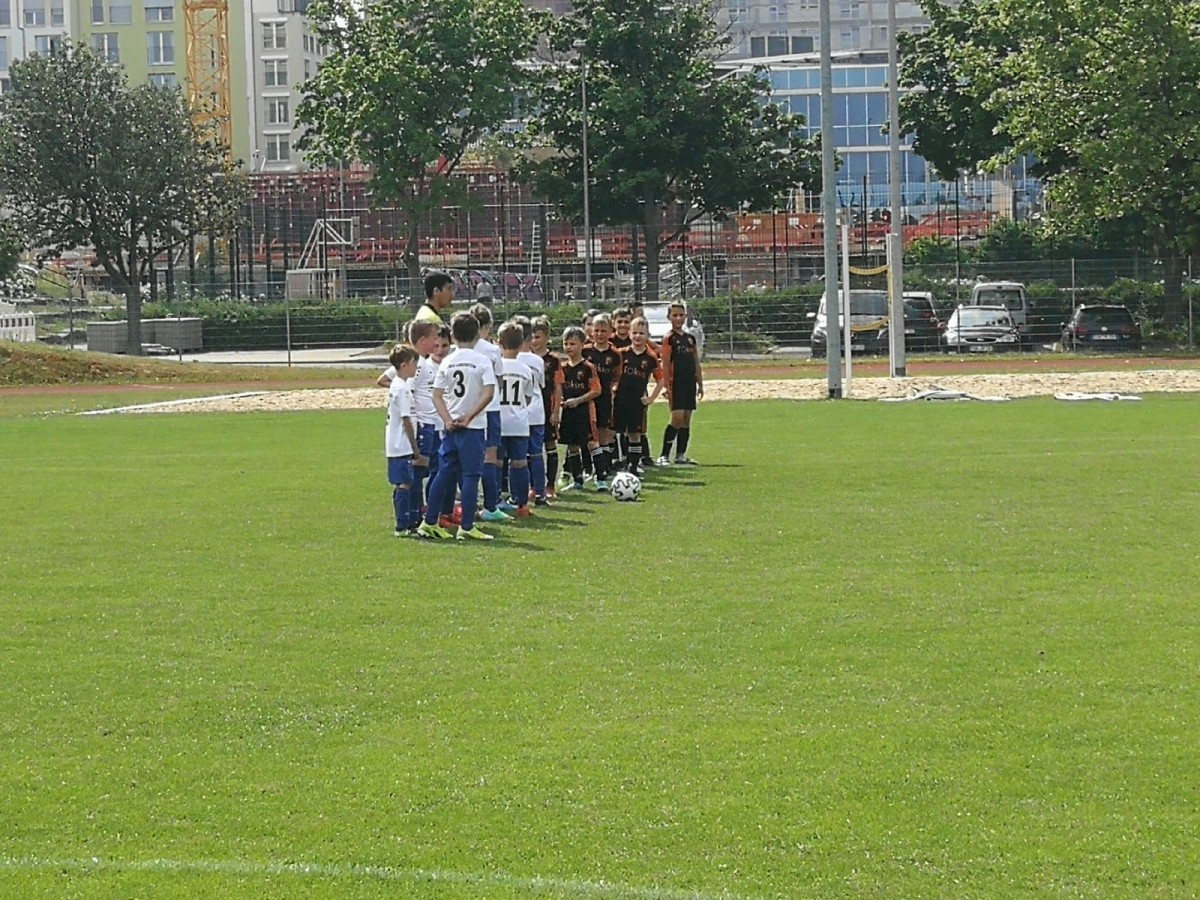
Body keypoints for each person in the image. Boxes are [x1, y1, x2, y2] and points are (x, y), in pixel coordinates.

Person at [416, 312, 497, 541]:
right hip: (472, 427)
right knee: (471, 475)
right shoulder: (482, 360)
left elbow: (437, 396)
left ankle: (429, 520)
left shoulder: (447, 361)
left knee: (444, 472)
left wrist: (447, 419)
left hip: (450, 427)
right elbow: (489, 392)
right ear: (476, 335)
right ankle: (467, 526)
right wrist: (469, 416)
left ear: (452, 336)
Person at [469, 302, 509, 524]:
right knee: (490, 456)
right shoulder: (491, 350)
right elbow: (499, 379)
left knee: (467, 458)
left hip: (466, 408)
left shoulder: (460, 349)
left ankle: (469, 502)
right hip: (490, 408)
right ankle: (491, 504)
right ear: (488, 325)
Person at [612, 316, 664, 476]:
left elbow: (661, 380)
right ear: (629, 334)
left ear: (647, 335)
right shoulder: (621, 353)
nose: (638, 336)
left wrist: (650, 399)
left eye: (642, 333)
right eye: (635, 333)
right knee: (613, 432)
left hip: (637, 402)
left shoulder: (650, 357)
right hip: (620, 399)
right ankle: (611, 465)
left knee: (635, 434)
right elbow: (613, 374)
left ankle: (633, 467)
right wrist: (613, 388)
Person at [496, 321, 537, 518]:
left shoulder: (496, 367)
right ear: (521, 344)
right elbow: (528, 397)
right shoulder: (525, 369)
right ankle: (521, 504)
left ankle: (494, 501)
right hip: (519, 423)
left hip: (498, 422)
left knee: (495, 462)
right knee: (519, 463)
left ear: (499, 343)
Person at [658, 301, 704, 465]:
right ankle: (664, 455)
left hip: (689, 383)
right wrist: (666, 385)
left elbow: (696, 362)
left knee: (686, 419)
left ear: (685, 316)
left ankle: (680, 455)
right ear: (669, 317)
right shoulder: (669, 338)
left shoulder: (690, 339)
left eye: (681, 315)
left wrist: (700, 383)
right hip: (675, 383)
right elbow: (665, 363)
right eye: (674, 315)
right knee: (676, 418)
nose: (678, 318)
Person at [405, 320, 441, 530]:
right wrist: (415, 425)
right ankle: (415, 514)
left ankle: (420, 512)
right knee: (419, 471)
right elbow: (409, 391)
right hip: (423, 425)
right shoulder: (417, 364)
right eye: (434, 338)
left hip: (430, 423)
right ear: (422, 340)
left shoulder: (422, 362)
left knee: (428, 469)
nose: (436, 343)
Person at [557, 326, 601, 493]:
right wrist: (562, 401)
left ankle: (601, 478)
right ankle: (577, 480)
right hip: (569, 413)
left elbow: (596, 390)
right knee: (572, 446)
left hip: (585, 412)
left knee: (591, 443)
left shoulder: (588, 367)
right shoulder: (562, 368)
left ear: (582, 344)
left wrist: (578, 400)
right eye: (566, 343)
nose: (569, 347)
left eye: (573, 344)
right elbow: (559, 389)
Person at [514, 316, 550, 506]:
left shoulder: (508, 360)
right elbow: (541, 385)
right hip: (536, 411)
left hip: (517, 413)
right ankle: (540, 493)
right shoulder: (537, 360)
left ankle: (516, 494)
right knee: (536, 454)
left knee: (517, 457)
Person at [384, 344, 420, 536]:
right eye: (414, 363)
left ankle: (406, 521)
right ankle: (402, 524)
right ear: (405, 365)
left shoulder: (397, 385)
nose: (416, 368)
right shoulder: (402, 388)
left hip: (395, 443)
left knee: (403, 483)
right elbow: (406, 419)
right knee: (404, 484)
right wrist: (415, 446)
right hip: (401, 443)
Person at [583, 313, 621, 490]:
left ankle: (604, 468)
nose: (599, 334)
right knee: (589, 433)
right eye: (596, 330)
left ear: (610, 331)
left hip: (605, 397)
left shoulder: (614, 354)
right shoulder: (586, 351)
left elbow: (616, 375)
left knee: (603, 433)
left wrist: (613, 387)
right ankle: (588, 469)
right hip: (588, 399)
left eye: (603, 330)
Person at [531, 315, 563, 499]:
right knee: (531, 448)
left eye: (538, 337)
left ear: (547, 337)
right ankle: (533, 485)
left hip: (547, 408)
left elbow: (558, 387)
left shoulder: (554, 360)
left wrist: (556, 410)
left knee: (550, 444)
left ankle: (550, 485)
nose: (535, 341)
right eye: (532, 337)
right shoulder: (525, 358)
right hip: (530, 410)